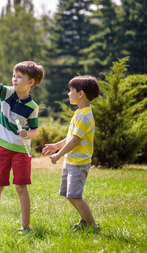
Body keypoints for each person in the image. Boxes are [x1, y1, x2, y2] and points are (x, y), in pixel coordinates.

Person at [0, 61, 44, 233]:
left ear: (30, 82)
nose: (14, 79)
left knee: (21, 187)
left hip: (21, 151)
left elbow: (35, 130)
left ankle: (25, 226)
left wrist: (28, 134)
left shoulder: (32, 107)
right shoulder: (8, 93)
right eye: (13, 76)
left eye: (19, 77)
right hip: (2, 147)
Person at [42, 75, 101, 233]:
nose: (68, 94)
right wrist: (56, 146)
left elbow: (75, 141)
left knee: (75, 195)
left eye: (71, 91)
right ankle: (85, 221)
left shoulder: (85, 116)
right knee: (69, 194)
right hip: (71, 161)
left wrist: (58, 155)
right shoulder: (79, 113)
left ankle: (93, 226)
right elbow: (71, 138)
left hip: (78, 163)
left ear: (80, 94)